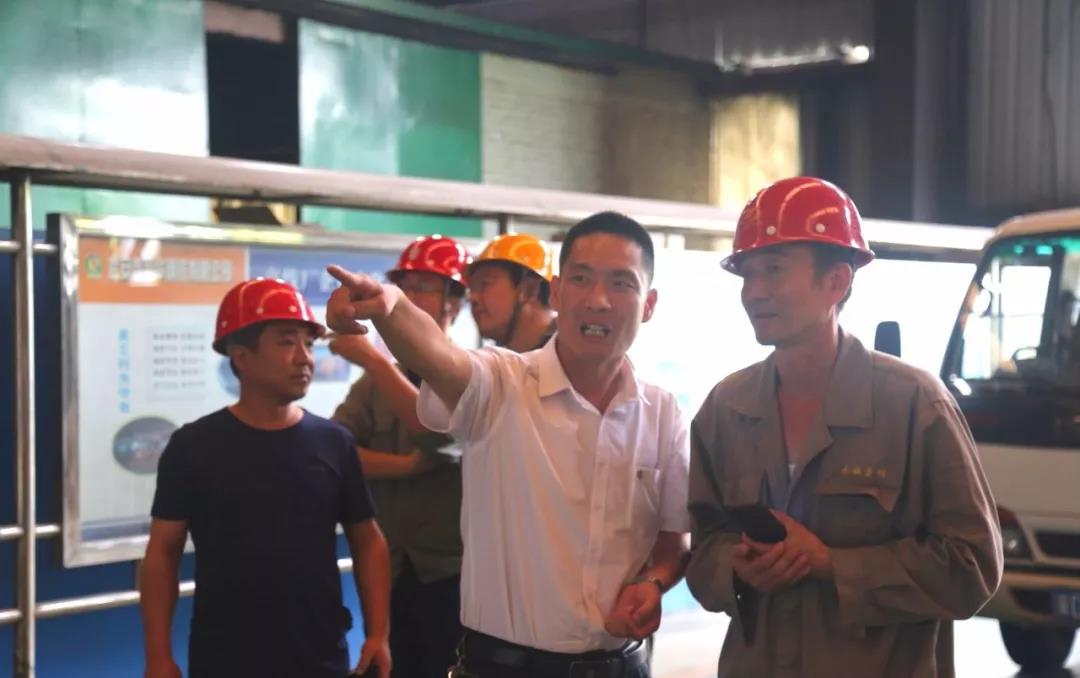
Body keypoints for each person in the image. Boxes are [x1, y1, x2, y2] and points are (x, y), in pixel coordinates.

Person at [325, 212, 690, 677]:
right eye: (581, 279)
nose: (598, 300)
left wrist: (655, 582)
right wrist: (390, 306)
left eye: (621, 284)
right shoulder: (501, 384)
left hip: (623, 666)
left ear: (649, 304)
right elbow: (440, 358)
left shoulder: (662, 413)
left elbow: (674, 540)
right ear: (556, 292)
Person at [685, 176, 1003, 677]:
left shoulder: (915, 405)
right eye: (747, 274)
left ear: (836, 281)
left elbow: (972, 567)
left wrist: (832, 564)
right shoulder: (726, 409)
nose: (755, 292)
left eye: (774, 270)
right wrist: (737, 568)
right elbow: (704, 552)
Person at [140, 278, 392, 678]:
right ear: (241, 356)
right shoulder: (193, 446)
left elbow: (368, 540)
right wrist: (158, 655)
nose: (305, 358)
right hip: (224, 660)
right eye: (287, 342)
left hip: (320, 657)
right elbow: (162, 553)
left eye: (309, 343)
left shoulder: (334, 443)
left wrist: (378, 633)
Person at [331, 235, 469, 678]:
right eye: (403, 286)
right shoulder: (376, 384)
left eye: (423, 287)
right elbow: (336, 451)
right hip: (391, 568)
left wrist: (376, 363)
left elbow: (444, 445)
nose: (408, 298)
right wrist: (405, 467)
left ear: (454, 302)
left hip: (453, 572)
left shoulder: (472, 374)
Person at [467, 232, 557, 352]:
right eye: (472, 288)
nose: (472, 297)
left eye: (485, 283)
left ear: (529, 289)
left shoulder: (570, 356)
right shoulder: (512, 360)